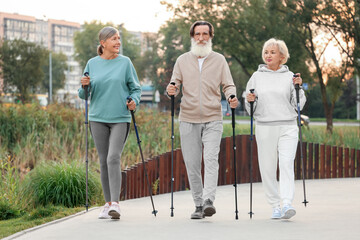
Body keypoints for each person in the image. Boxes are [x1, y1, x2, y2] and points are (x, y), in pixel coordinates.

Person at [166, 20, 238, 219]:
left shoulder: (219, 60)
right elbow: (174, 83)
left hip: (213, 118)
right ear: (192, 36)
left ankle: (208, 201)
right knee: (192, 163)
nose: (201, 38)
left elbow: (228, 85)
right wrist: (171, 89)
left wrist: (231, 96)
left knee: (211, 159)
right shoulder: (182, 60)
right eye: (197, 34)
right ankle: (198, 205)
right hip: (188, 118)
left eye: (205, 34)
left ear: (210, 36)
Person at [78, 26, 141, 220]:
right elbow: (83, 95)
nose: (118, 42)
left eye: (119, 39)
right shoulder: (92, 63)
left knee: (114, 157)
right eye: (114, 39)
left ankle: (115, 204)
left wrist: (134, 101)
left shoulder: (125, 63)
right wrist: (83, 85)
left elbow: (135, 89)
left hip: (120, 118)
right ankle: (106, 204)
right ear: (103, 43)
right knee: (104, 160)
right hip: (97, 118)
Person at [245, 38, 306, 220]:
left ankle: (287, 203)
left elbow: (299, 104)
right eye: (266, 52)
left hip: (287, 126)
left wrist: (299, 88)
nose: (268, 55)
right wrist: (250, 101)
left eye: (272, 52)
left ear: (282, 56)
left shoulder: (290, 76)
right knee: (268, 168)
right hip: (265, 127)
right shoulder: (256, 76)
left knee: (286, 164)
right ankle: (275, 205)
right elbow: (250, 109)